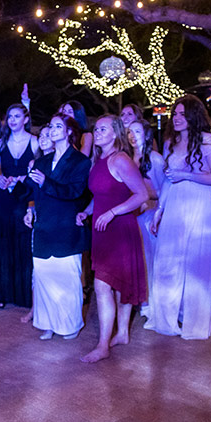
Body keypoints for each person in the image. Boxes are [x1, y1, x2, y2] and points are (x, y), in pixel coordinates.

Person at [149, 94, 211, 340]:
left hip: (199, 203)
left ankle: (194, 320)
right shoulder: (171, 141)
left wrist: (187, 175)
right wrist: (159, 211)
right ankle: (168, 317)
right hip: (174, 205)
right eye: (175, 114)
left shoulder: (205, 140)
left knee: (195, 262)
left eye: (183, 114)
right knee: (169, 260)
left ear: (194, 116)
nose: (177, 118)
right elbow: (168, 181)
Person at [76, 115, 149, 363]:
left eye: (103, 129)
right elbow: (101, 194)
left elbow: (141, 195)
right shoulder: (99, 160)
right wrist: (86, 211)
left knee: (103, 284)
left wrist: (113, 212)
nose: (97, 132)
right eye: (96, 129)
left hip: (119, 229)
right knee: (115, 283)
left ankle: (103, 345)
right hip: (102, 229)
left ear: (116, 132)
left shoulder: (120, 160)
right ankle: (123, 333)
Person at [23, 115, 91, 340]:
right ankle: (48, 322)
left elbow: (75, 193)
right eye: (50, 126)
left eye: (57, 126)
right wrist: (28, 207)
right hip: (43, 226)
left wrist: (46, 182)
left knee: (66, 278)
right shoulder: (42, 161)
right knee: (43, 275)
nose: (52, 129)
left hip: (65, 227)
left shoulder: (81, 161)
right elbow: (31, 191)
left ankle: (70, 324)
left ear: (69, 132)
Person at [0, 103, 39, 309]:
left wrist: (24, 177)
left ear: (26, 119)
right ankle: (1, 292)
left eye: (17, 116)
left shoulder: (35, 142)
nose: (12, 120)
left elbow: (40, 169)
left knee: (24, 241)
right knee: (1, 242)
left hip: (25, 197)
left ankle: (24, 294)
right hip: (4, 197)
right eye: (10, 116)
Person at [127, 119, 166, 322]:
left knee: (149, 260)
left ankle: (150, 303)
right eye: (130, 132)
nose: (132, 136)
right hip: (131, 216)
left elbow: (164, 191)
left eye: (137, 132)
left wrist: (147, 198)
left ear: (147, 134)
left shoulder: (155, 159)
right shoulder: (126, 159)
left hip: (149, 215)